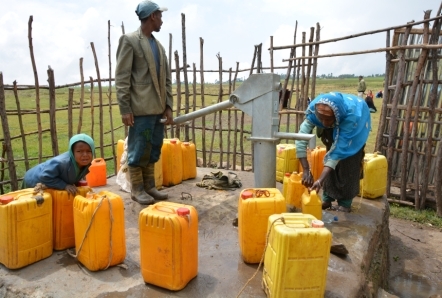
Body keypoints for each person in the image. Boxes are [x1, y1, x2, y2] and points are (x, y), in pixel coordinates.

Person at [115, 0, 173, 205]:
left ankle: (149, 186)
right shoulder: (130, 40)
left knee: (153, 147)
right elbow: (122, 78)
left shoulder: (158, 46)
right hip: (140, 109)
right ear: (152, 17)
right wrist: (125, 108)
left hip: (157, 109)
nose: (162, 21)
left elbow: (166, 78)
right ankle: (137, 188)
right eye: (160, 16)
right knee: (138, 149)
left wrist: (168, 106)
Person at [295, 92, 371, 213]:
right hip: (336, 122)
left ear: (336, 115)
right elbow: (301, 140)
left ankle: (345, 203)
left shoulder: (351, 118)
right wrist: (305, 170)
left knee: (348, 163)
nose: (324, 123)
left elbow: (337, 154)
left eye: (328, 119)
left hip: (355, 129)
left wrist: (320, 180)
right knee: (329, 156)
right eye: (321, 119)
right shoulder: (314, 111)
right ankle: (327, 198)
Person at [23, 134, 95, 196]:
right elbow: (45, 176)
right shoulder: (60, 163)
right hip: (33, 180)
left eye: (89, 151)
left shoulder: (84, 163)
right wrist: (64, 185)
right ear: (72, 152)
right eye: (79, 151)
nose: (85, 155)